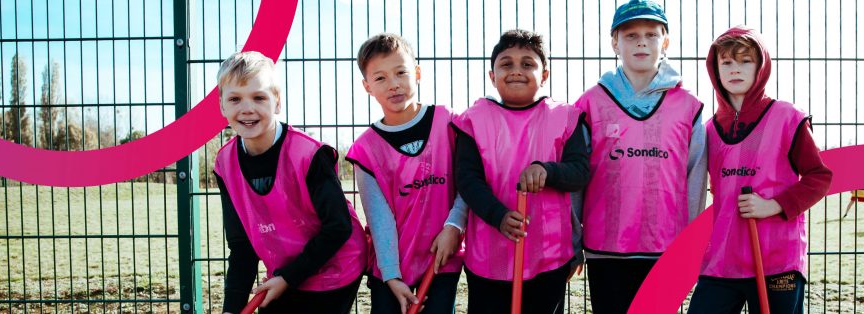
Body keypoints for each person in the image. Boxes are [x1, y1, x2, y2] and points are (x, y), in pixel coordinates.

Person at [572, 1, 707, 312]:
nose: (642, 42)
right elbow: (578, 178)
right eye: (630, 35)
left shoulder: (688, 105)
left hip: (665, 247)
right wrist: (574, 239)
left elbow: (695, 177)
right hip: (605, 247)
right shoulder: (590, 103)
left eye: (651, 34)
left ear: (666, 42)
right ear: (615, 43)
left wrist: (688, 245)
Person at [687, 26, 833, 314]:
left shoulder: (788, 117)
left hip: (776, 261)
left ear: (761, 66)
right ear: (715, 69)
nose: (735, 69)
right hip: (722, 260)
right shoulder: (708, 131)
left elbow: (819, 177)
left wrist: (774, 205)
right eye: (726, 62)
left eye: (745, 60)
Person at [214, 51, 367, 314]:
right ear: (222, 106)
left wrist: (288, 277)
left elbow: (339, 227)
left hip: (334, 265)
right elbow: (241, 246)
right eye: (235, 99)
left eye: (259, 97)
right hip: (287, 270)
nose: (247, 108)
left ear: (277, 102)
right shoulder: (224, 163)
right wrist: (231, 309)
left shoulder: (309, 154)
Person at [453, 29, 589, 313]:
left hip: (548, 256)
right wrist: (498, 216)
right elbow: (467, 180)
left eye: (528, 63)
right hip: (488, 257)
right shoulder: (473, 120)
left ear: (544, 74)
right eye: (506, 64)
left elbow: (579, 171)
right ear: (492, 75)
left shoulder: (565, 117)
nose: (517, 70)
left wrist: (547, 171)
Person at [347, 33, 467, 314]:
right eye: (380, 78)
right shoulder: (365, 148)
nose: (394, 84)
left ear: (417, 72)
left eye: (401, 72)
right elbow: (378, 217)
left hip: (442, 255)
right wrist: (391, 274)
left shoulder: (448, 122)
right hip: (389, 266)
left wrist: (454, 227)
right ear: (367, 86)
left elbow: (467, 184)